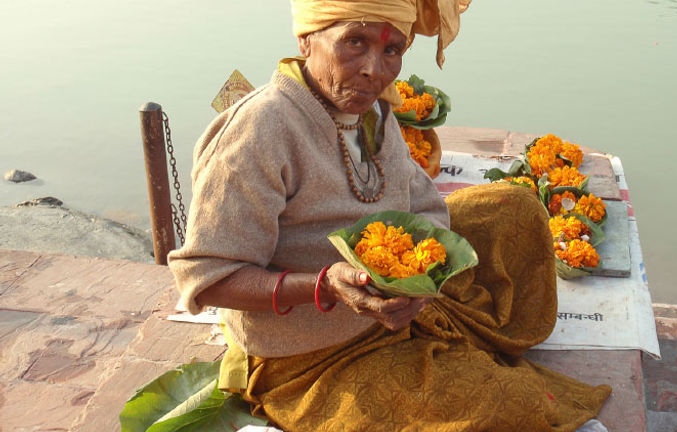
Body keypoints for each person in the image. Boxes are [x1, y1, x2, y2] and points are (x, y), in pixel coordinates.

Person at [168, 1, 611, 430]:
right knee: (510, 403)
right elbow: (208, 277)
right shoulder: (260, 129)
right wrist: (326, 287)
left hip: (383, 295)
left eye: (391, 50)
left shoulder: (373, 107)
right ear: (306, 39)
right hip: (309, 358)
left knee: (515, 209)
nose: (374, 70)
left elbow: (422, 203)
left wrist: (425, 275)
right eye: (354, 42)